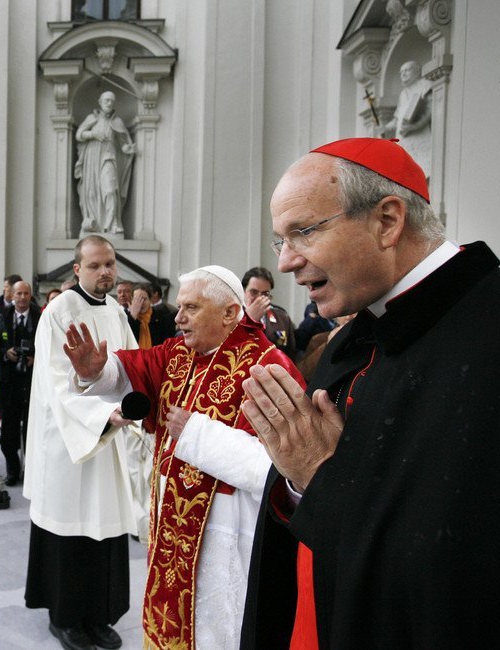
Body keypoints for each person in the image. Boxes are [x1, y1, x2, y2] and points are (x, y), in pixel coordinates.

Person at [240, 137, 500, 647]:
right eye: (280, 241)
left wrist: (319, 479)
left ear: (387, 221)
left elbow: (458, 572)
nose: (286, 262)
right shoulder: (353, 336)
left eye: (303, 232)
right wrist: (298, 482)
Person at [63, 265, 302, 649]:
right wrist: (97, 372)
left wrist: (195, 434)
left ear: (229, 313)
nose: (178, 317)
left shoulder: (268, 367)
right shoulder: (178, 352)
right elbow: (127, 371)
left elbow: (279, 470)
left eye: (191, 308)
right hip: (170, 530)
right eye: (180, 307)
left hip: (227, 537)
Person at [23, 235, 138, 650]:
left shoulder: (117, 313)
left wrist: (137, 401)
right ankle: (66, 618)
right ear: (77, 269)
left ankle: (99, 615)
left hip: (110, 434)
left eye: (110, 264)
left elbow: (133, 364)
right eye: (94, 265)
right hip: (70, 440)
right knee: (71, 528)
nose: (105, 272)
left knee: (105, 526)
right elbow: (57, 383)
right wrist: (101, 416)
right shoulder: (59, 312)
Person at [0, 281, 39, 485]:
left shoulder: (41, 318)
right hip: (9, 383)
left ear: (30, 295)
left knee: (33, 430)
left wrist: (36, 358)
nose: (22, 297)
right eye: (18, 293)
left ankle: (32, 473)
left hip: (33, 382)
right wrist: (6, 353)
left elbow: (51, 346)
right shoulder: (1, 319)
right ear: (12, 295)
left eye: (26, 293)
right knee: (9, 432)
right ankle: (12, 470)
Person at [75, 91, 136, 236]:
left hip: (108, 156)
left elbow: (122, 143)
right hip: (92, 157)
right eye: (106, 100)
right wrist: (93, 134)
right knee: (92, 192)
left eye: (112, 101)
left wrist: (127, 148)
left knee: (110, 189)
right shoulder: (92, 118)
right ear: (100, 101)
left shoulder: (117, 121)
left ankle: (112, 223)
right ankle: (95, 223)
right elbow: (79, 135)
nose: (109, 103)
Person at [382, 60, 432, 175]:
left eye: (407, 70)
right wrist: (384, 128)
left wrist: (414, 126)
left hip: (421, 137)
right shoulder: (403, 93)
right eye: (401, 72)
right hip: (404, 138)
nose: (403, 74)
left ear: (417, 71)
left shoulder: (426, 85)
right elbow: (396, 120)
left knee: (422, 169)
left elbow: (429, 112)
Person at [242, 266, 298, 359]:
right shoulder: (234, 317)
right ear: (244, 292)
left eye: (265, 294)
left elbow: (290, 354)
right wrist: (249, 319)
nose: (260, 298)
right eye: (254, 292)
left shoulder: (281, 317)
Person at [126, 283, 176, 349]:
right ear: (132, 300)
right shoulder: (126, 317)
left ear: (150, 300)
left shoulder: (161, 317)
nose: (141, 303)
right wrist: (133, 316)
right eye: (137, 299)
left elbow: (167, 342)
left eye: (144, 299)